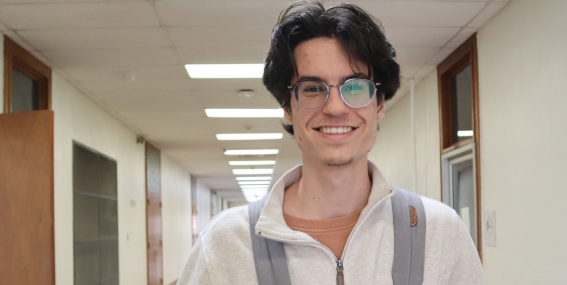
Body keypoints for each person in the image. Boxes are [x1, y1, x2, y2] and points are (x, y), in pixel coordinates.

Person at [177, 1, 486, 284]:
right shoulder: (223, 245)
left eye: (355, 87)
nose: (335, 107)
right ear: (288, 108)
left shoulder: (439, 232)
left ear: (379, 106)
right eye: (312, 88)